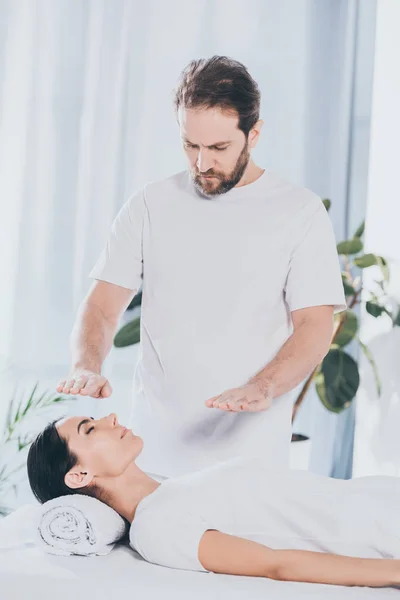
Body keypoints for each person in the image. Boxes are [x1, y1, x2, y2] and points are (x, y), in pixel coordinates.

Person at [56, 55, 346, 480]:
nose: (202, 163)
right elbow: (102, 306)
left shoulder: (299, 213)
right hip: (153, 460)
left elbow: (314, 325)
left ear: (255, 134)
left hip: (250, 464)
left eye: (219, 148)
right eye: (190, 145)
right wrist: (86, 364)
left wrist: (263, 385)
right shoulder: (149, 205)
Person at [27, 413, 400, 589]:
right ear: (79, 476)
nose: (109, 417)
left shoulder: (171, 488)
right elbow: (278, 565)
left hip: (379, 496)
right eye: (89, 430)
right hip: (380, 531)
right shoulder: (157, 528)